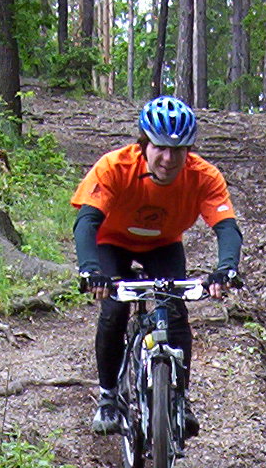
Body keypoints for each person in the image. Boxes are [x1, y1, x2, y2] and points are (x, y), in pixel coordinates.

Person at [72, 96, 243, 436]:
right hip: (112, 240)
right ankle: (108, 396)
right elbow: (86, 221)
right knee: (114, 310)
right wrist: (91, 269)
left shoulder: (203, 176)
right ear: (144, 143)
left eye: (178, 151)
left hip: (163, 244)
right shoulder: (115, 167)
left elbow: (226, 227)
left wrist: (226, 269)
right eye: (160, 147)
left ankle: (179, 397)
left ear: (189, 151)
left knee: (175, 312)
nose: (168, 158)